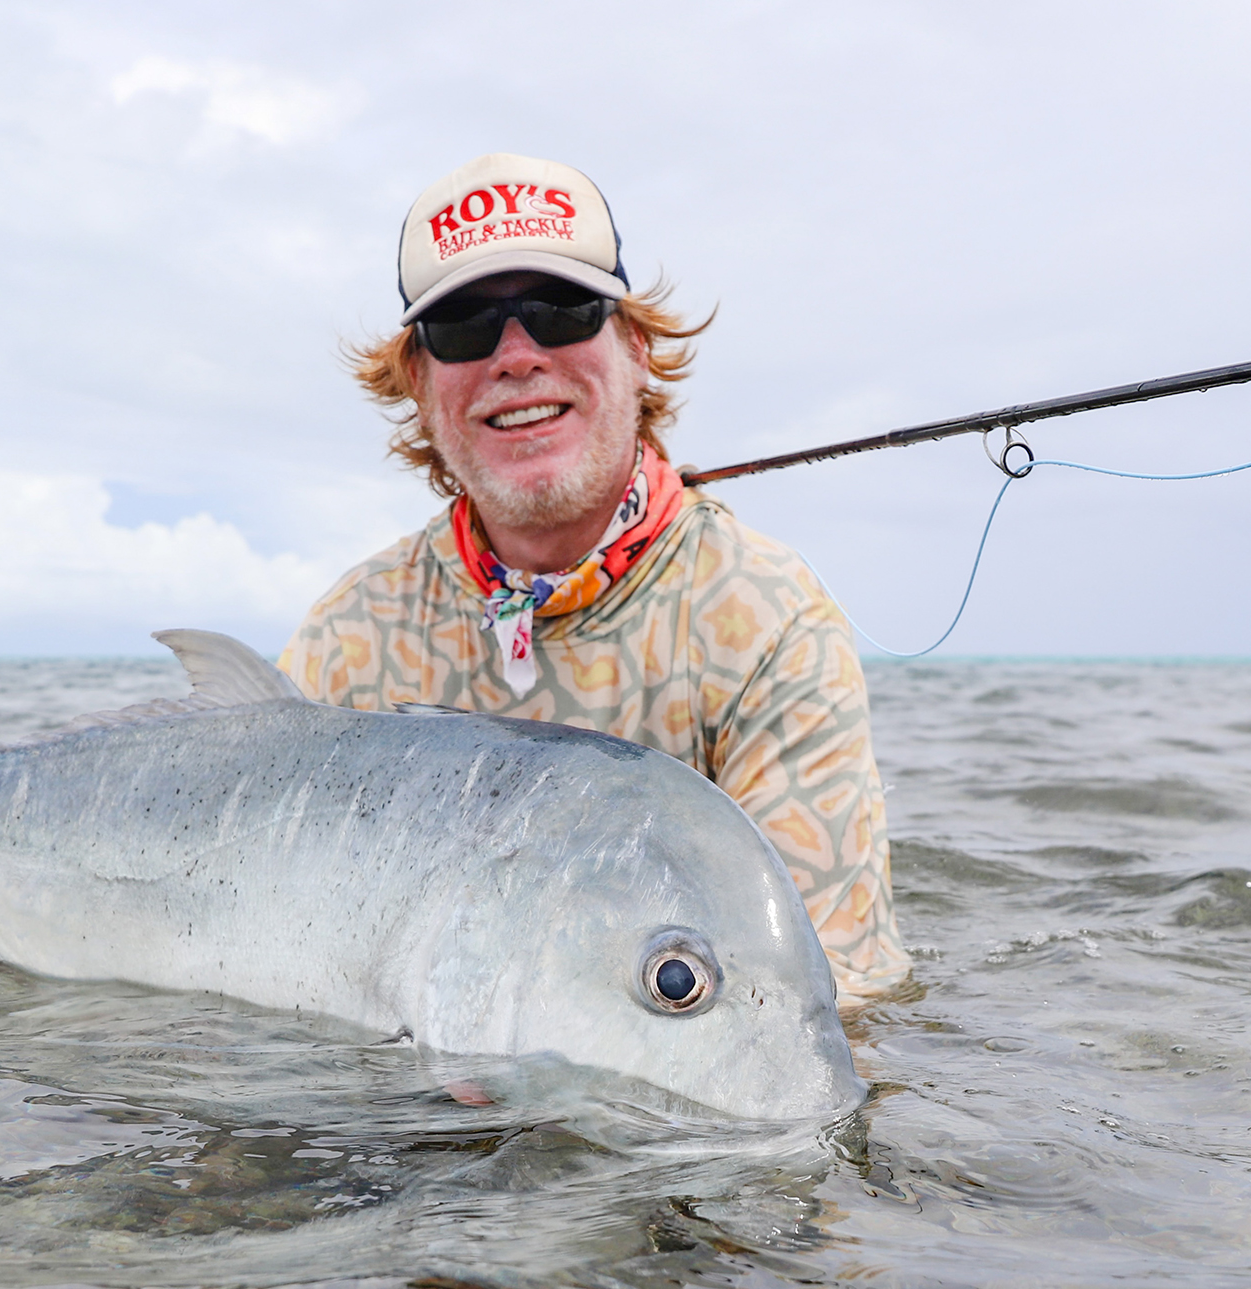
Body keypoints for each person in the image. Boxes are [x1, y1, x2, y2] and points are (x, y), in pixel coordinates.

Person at [277, 153, 908, 1002]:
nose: (516, 355)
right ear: (419, 385)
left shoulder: (768, 622)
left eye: (561, 309)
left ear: (637, 347)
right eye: (463, 326)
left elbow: (826, 1011)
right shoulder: (348, 639)